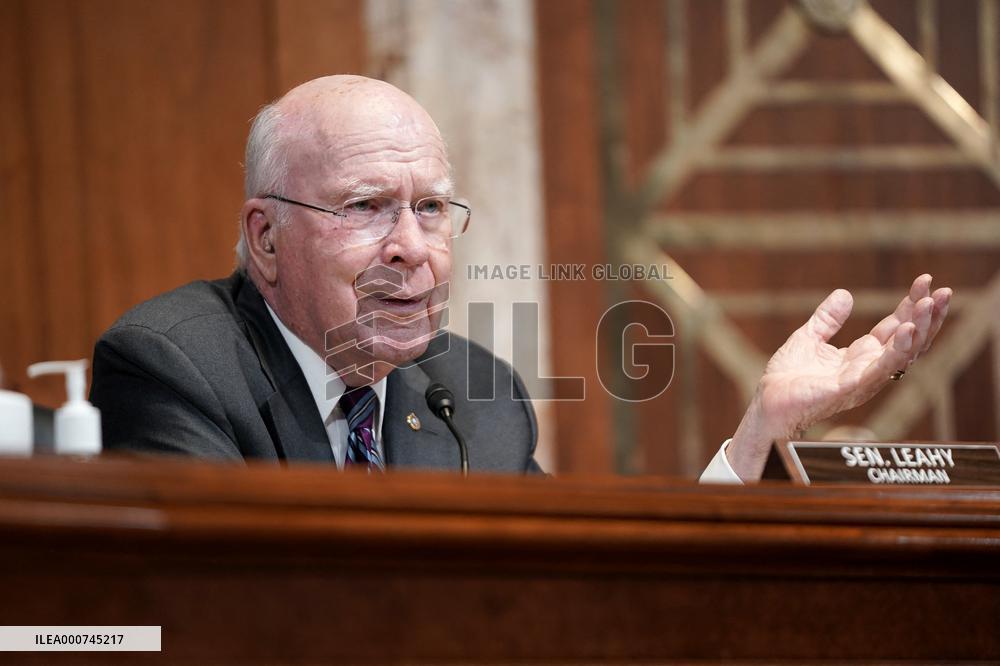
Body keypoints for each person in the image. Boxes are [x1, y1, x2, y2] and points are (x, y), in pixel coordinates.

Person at [90, 75, 951, 481]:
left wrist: (760, 433)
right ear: (266, 237)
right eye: (366, 207)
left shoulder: (474, 393)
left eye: (431, 209)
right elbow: (209, 622)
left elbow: (590, 599)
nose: (410, 247)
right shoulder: (176, 368)